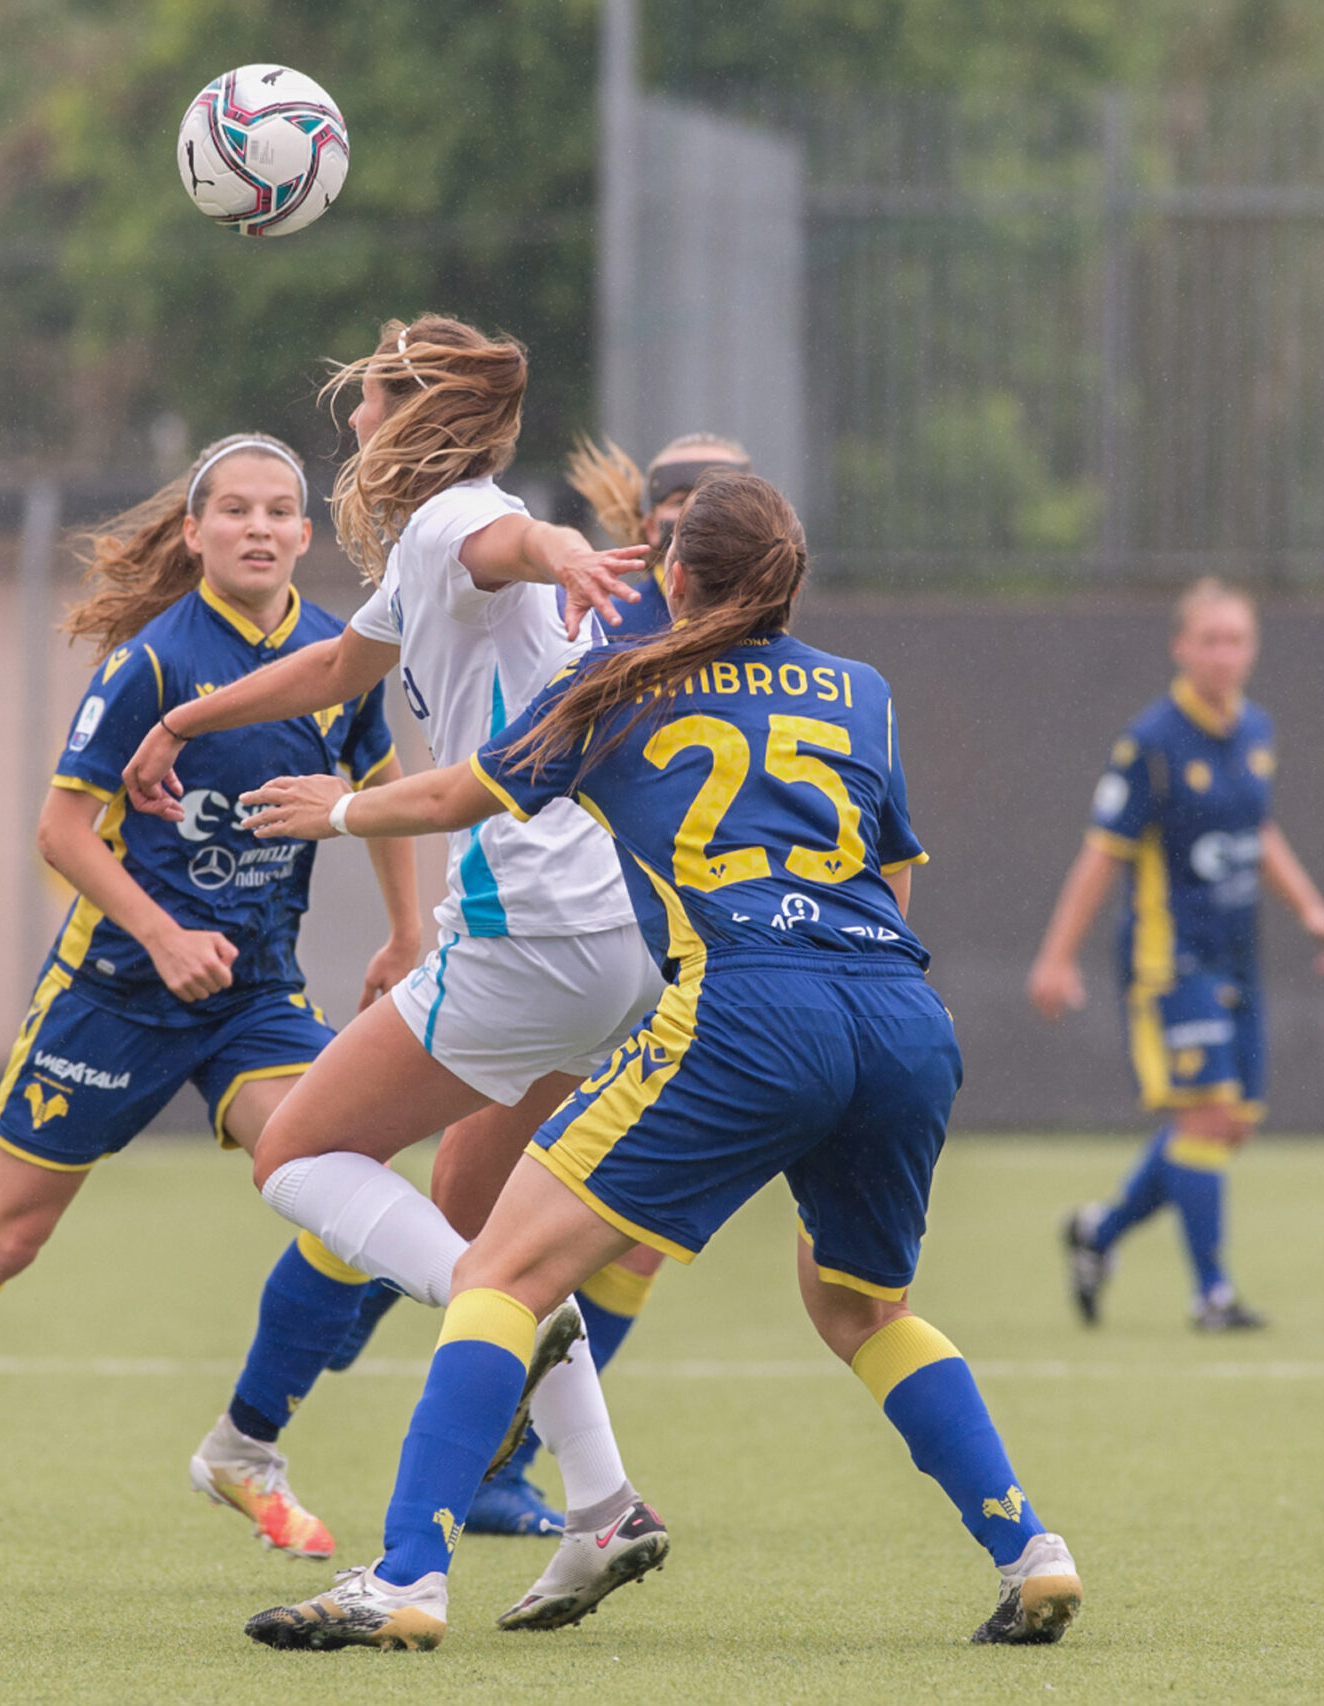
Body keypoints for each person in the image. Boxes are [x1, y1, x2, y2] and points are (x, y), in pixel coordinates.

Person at [234, 472, 1083, 1652]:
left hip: (749, 1007)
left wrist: (336, 809)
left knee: (499, 1274)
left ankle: (407, 1575)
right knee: (861, 1306)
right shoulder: (861, 690)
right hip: (898, 1012)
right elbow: (891, 875)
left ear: (674, 575)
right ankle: (1031, 1549)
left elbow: (457, 794)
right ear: (790, 581)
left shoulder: (617, 683)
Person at [0, 433, 426, 1588]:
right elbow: (61, 830)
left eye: (278, 510)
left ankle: (244, 1444)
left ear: (305, 533)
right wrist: (162, 933)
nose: (257, 527)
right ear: (194, 532)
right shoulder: (154, 663)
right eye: (233, 509)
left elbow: (378, 791)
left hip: (252, 994)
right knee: (5, 1237)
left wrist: (405, 930)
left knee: (349, 1181)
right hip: (115, 995)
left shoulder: (339, 658)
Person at [118, 314, 673, 1617]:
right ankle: (602, 1505)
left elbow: (511, 542)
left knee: (296, 1153)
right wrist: (183, 714)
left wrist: (565, 549)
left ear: (415, 419)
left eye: (369, 401)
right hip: (612, 937)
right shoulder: (430, 546)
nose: (353, 421)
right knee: (478, 1209)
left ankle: (482, 1348)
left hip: (528, 930)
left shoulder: (456, 522)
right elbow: (333, 665)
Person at [1025, 578, 1324, 1331]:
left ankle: (1098, 1234)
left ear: (1253, 649)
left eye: (1236, 640)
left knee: (1230, 1125)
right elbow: (1102, 853)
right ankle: (1212, 1297)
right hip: (1170, 959)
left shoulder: (1257, 731)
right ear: (1180, 647)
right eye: (1209, 640)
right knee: (1206, 1117)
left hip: (1236, 956)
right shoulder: (1152, 742)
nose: (1223, 654)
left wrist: (1310, 908)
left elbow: (1259, 832)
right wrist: (1056, 957)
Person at [564, 431, 753, 642]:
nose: (701, 512)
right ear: (652, 527)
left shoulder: (769, 615)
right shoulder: (612, 628)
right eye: (680, 501)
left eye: (723, 500)